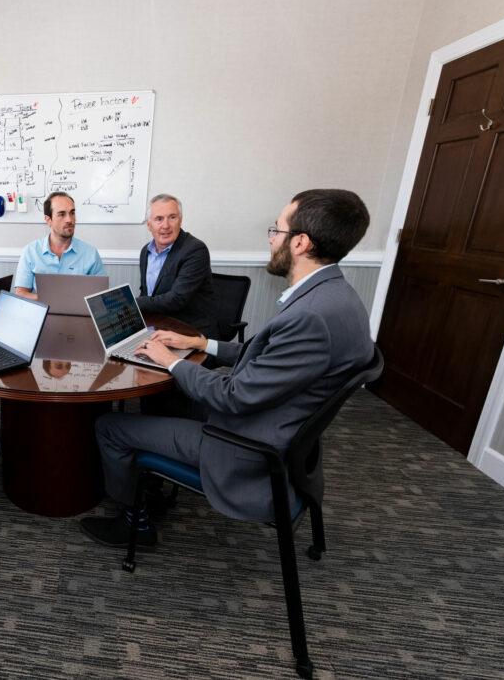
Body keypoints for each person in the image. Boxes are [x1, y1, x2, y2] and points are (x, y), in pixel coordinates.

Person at [80, 189, 374, 547]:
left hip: (241, 444)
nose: (270, 240)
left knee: (110, 426)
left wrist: (169, 360)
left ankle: (135, 524)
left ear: (299, 243)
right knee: (164, 400)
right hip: (272, 422)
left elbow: (232, 396)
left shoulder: (310, 316)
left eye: (275, 231)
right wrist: (201, 344)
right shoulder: (338, 297)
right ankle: (149, 486)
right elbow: (266, 356)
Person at [136, 194, 220, 340]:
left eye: (172, 217)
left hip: (191, 332)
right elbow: (146, 294)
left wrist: (130, 303)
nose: (166, 225)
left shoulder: (195, 250)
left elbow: (176, 299)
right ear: (149, 225)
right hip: (158, 327)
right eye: (159, 219)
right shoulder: (146, 251)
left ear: (180, 221)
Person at [13, 191, 105, 299]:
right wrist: (53, 300)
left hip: (76, 314)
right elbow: (21, 293)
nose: (69, 220)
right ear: (48, 220)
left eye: (72, 213)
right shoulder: (30, 251)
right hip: (42, 313)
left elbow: (102, 295)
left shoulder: (91, 254)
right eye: (61, 214)